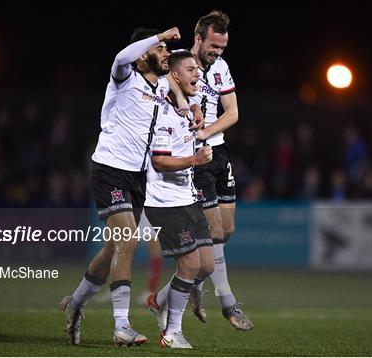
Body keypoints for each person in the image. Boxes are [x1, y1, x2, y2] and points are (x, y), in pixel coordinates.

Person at [59, 27, 202, 347]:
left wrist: (190, 106)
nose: (166, 53)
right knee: (128, 239)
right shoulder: (124, 78)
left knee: (113, 248)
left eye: (166, 49)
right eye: (161, 49)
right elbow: (121, 56)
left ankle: (75, 303)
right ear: (143, 54)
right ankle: (121, 325)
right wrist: (160, 35)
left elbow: (179, 95)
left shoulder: (160, 89)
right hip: (110, 170)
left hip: (138, 178)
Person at [143, 50, 215, 348]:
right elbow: (159, 161)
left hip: (187, 198)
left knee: (207, 266)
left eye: (198, 69)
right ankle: (172, 333)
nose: (197, 73)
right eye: (190, 69)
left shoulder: (185, 108)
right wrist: (195, 160)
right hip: (165, 202)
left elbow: (185, 97)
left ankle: (158, 300)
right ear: (174, 76)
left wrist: (194, 107)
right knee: (188, 266)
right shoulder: (161, 112)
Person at [188, 10, 253, 331]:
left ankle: (191, 288)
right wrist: (194, 136)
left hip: (219, 151)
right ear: (198, 38)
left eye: (222, 48)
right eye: (213, 46)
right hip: (192, 156)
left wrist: (206, 131)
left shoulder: (221, 68)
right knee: (213, 232)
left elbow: (233, 112)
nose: (217, 53)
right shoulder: (179, 65)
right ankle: (228, 302)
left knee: (226, 231)